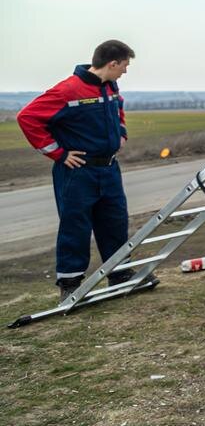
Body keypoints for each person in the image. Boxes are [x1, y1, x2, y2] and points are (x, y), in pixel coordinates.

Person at [17, 40, 145, 302]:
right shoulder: (68, 90)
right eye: (124, 65)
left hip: (109, 169)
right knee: (75, 226)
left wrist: (121, 133)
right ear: (112, 63)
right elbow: (27, 117)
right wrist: (58, 153)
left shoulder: (110, 87)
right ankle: (71, 285)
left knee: (115, 223)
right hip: (78, 173)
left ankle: (120, 275)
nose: (125, 71)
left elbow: (118, 106)